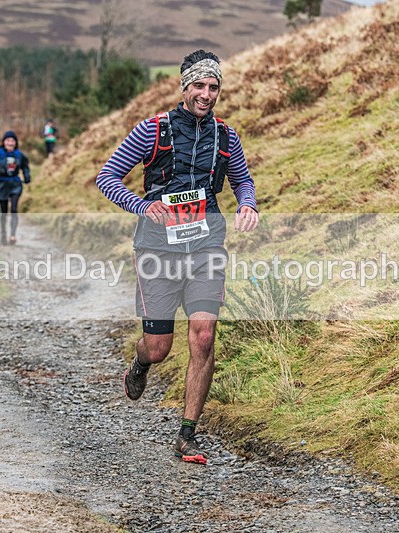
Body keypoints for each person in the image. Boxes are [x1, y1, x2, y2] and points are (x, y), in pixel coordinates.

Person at [96, 49, 258, 464]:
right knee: (160, 346)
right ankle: (140, 361)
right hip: (157, 249)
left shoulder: (227, 137)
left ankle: (187, 435)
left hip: (206, 247)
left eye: (214, 87)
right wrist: (141, 205)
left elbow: (243, 180)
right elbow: (107, 176)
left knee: (203, 336)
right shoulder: (152, 130)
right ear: (185, 86)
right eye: (199, 86)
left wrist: (247, 204)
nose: (206, 94)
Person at [0, 130, 31, 245]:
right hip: (1, 185)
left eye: (12, 140)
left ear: (16, 142)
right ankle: (3, 234)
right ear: (4, 142)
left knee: (14, 210)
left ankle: (13, 235)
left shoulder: (20, 155)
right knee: (3, 211)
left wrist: (26, 175)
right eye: (8, 140)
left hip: (15, 184)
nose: (10, 143)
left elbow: (25, 166)